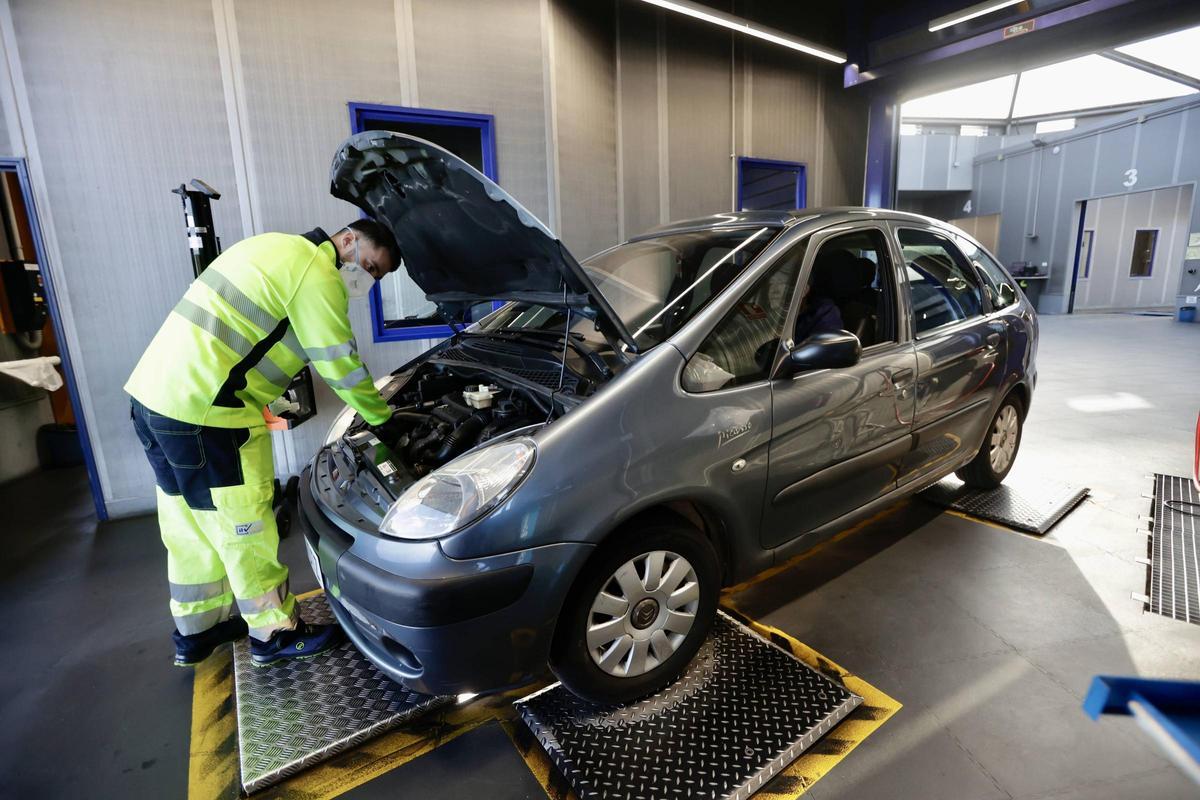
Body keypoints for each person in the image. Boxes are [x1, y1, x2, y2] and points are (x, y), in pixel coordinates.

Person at [125, 220, 400, 667]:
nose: (366, 279)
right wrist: (383, 418)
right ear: (348, 239)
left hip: (154, 399)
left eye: (376, 276)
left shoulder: (272, 246)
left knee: (188, 522)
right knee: (244, 525)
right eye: (369, 266)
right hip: (210, 414)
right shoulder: (316, 272)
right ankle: (275, 634)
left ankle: (199, 631)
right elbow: (338, 363)